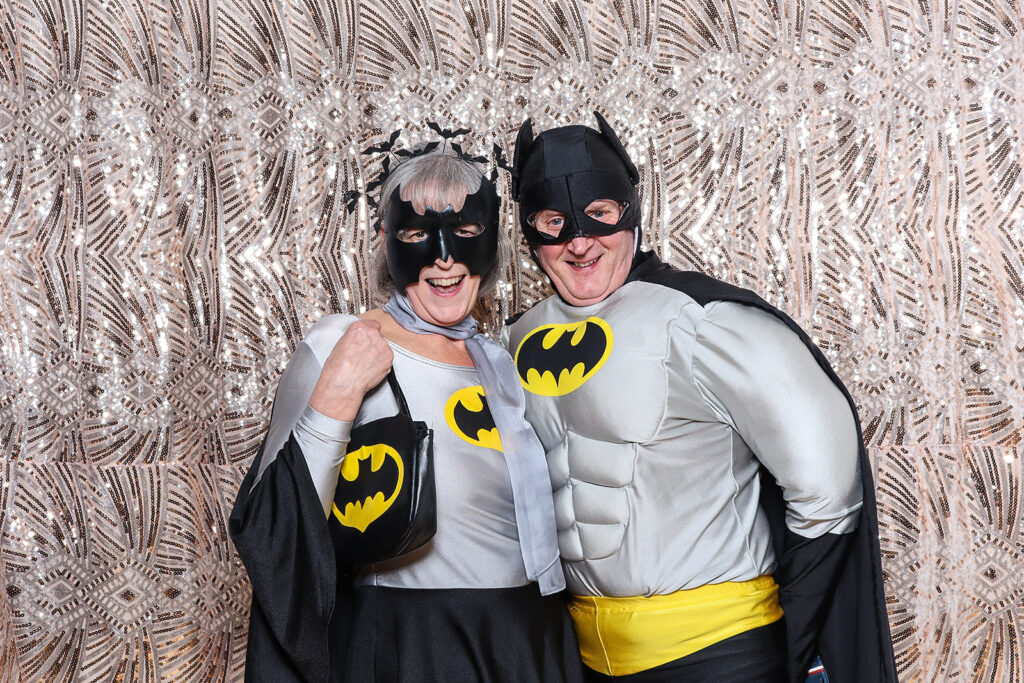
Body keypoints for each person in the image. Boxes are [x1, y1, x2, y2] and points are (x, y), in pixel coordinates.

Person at [502, 113, 897, 683]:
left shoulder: (703, 321)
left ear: (631, 212)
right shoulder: (516, 341)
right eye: (553, 221)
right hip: (585, 659)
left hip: (720, 654)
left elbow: (829, 489)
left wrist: (797, 636)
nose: (580, 241)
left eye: (600, 215)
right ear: (529, 233)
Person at [230, 144, 584, 682]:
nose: (444, 259)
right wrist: (338, 392)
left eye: (466, 234)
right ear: (386, 244)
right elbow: (274, 524)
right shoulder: (345, 340)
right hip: (412, 640)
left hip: (528, 638)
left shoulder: (503, 361)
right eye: (418, 236)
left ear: (492, 243)